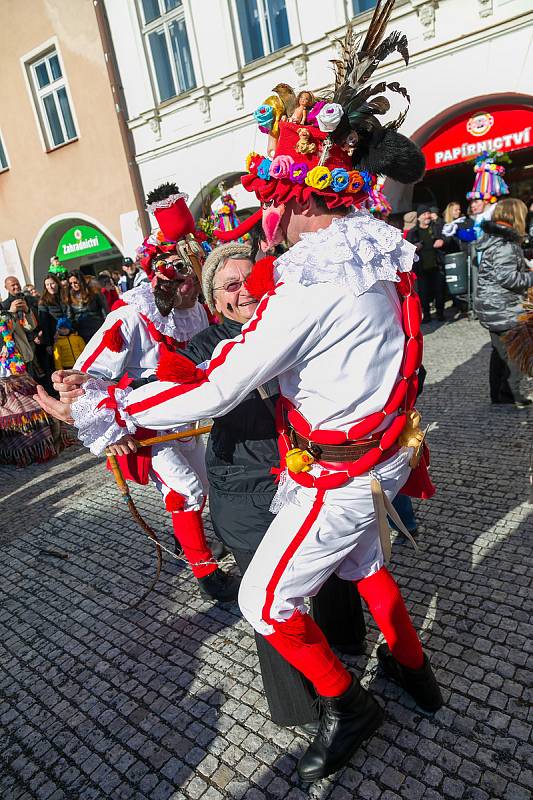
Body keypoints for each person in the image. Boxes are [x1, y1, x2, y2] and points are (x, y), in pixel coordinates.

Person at [37, 5, 442, 782]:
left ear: (294, 200)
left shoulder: (309, 285)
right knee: (363, 567)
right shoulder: (381, 254)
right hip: (378, 456)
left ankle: (352, 707)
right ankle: (413, 671)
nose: (264, 221)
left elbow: (220, 384)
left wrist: (109, 409)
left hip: (342, 472)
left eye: (270, 202)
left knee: (264, 603)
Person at [183, 241, 367, 730]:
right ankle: (300, 705)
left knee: (326, 565)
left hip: (308, 473)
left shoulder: (294, 319)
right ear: (215, 300)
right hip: (244, 484)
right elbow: (173, 384)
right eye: (231, 285)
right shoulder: (205, 344)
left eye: (251, 278)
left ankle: (345, 645)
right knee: (266, 596)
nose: (244, 291)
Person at [55, 186, 239, 603]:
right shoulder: (131, 315)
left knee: (203, 484)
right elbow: (88, 375)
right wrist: (110, 430)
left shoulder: (195, 308)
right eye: (191, 276)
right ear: (163, 275)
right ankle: (206, 574)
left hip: (186, 419)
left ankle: (186, 539)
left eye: (199, 274)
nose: (199, 287)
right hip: (146, 423)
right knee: (187, 489)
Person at [474, 198, 533, 407]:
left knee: (500, 352)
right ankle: (510, 394)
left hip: (493, 306)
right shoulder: (505, 243)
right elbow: (509, 278)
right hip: (502, 307)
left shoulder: (497, 238)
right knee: (516, 352)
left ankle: (499, 395)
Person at [0, 308, 64, 466]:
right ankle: (20, 451)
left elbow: (26, 329)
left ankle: (43, 445)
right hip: (5, 375)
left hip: (13, 366)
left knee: (33, 403)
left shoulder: (6, 315)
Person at [406, 206, 446, 322]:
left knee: (439, 290)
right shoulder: (413, 232)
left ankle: (440, 313)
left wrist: (442, 240)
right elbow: (407, 250)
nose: (427, 216)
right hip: (421, 268)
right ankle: (427, 314)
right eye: (424, 214)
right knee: (423, 293)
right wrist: (414, 247)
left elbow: (448, 237)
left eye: (428, 213)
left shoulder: (437, 227)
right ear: (418, 217)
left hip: (436, 265)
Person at [67, 270, 107, 342]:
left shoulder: (94, 291)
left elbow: (104, 310)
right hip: (82, 332)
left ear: (81, 281)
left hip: (98, 328)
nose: (73, 285)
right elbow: (70, 316)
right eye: (71, 283)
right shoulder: (70, 296)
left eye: (75, 282)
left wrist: (107, 325)